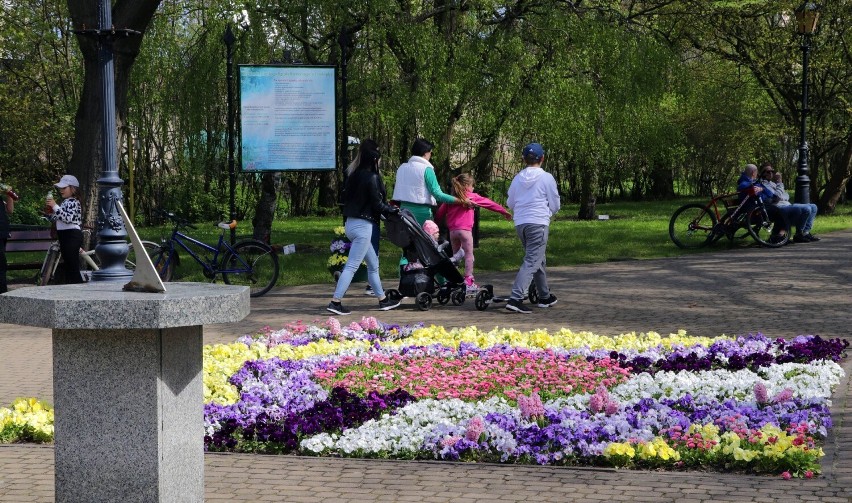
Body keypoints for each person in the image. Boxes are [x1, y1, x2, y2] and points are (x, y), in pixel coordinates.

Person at [327, 139, 401, 315]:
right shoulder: (373, 177)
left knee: (373, 265)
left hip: (351, 224)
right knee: (352, 266)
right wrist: (393, 210)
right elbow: (378, 204)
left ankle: (383, 300)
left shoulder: (353, 175)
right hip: (363, 227)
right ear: (375, 159)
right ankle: (335, 302)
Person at [504, 143, 560, 313]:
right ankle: (516, 298)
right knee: (531, 260)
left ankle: (544, 296)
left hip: (521, 223)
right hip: (538, 222)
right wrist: (549, 212)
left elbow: (510, 202)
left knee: (537, 259)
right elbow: (555, 203)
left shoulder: (517, 178)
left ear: (523, 159)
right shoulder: (546, 178)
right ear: (542, 158)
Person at [436, 173, 512, 293]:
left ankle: (453, 280)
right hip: (465, 231)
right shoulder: (471, 197)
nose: (473, 188)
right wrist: (504, 211)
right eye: (472, 186)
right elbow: (489, 204)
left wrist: (436, 224)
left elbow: (440, 213)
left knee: (457, 256)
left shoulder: (451, 199)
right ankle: (468, 280)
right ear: (466, 185)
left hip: (453, 231)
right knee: (468, 255)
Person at [391, 138, 468, 225]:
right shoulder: (426, 169)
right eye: (431, 152)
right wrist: (461, 200)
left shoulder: (402, 168)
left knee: (405, 238)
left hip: (403, 212)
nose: (431, 155)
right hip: (421, 214)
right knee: (425, 238)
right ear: (425, 152)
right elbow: (438, 195)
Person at [758, 163, 820, 243]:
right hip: (778, 207)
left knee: (814, 206)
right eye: (768, 171)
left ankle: (805, 232)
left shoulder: (773, 184)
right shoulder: (763, 185)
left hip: (786, 204)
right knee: (806, 208)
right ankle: (799, 234)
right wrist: (780, 183)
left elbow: (786, 195)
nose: (771, 173)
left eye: (772, 171)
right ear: (762, 173)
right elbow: (776, 197)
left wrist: (781, 195)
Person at [46, 175, 85, 284]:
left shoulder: (74, 201)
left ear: (73, 189)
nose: (61, 190)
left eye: (64, 188)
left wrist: (55, 206)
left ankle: (77, 285)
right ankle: (72, 285)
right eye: (60, 188)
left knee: (72, 264)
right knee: (68, 263)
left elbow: (68, 218)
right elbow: (59, 217)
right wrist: (50, 214)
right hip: (65, 236)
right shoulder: (66, 202)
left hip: (72, 235)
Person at [736, 164, 788, 244]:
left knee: (779, 211)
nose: (757, 174)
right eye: (756, 172)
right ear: (753, 172)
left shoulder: (754, 182)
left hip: (759, 208)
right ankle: (778, 236)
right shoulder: (746, 182)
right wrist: (756, 188)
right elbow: (744, 187)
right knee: (780, 212)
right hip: (754, 212)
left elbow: (770, 194)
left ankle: (778, 236)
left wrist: (762, 189)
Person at [0, 183, 17, 294]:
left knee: (1, 264)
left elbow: (10, 210)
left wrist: (9, 196)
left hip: (2, 233)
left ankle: (2, 293)